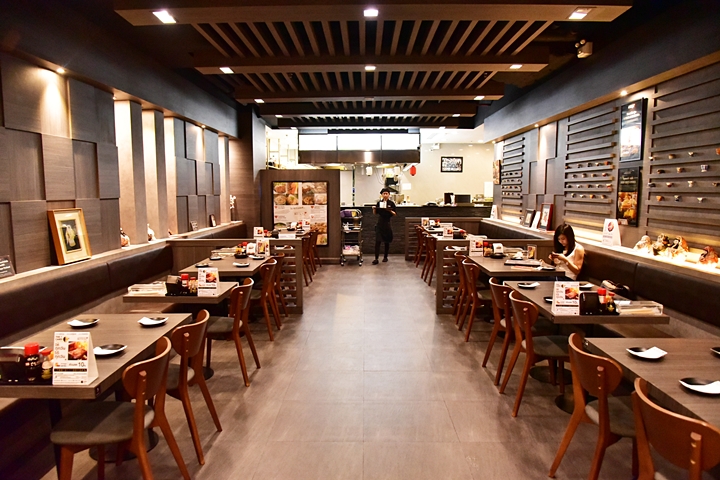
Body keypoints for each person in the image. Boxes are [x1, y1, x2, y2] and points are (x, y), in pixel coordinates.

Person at [372, 188, 397, 264]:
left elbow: (395, 214)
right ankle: (376, 258)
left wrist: (389, 210)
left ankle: (385, 257)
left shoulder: (391, 203)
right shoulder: (379, 203)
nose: (385, 195)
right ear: (382, 195)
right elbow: (375, 213)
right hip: (380, 223)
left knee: (387, 241)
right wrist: (374, 209)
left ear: (389, 195)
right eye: (384, 193)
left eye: (387, 193)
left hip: (387, 223)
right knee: (378, 241)